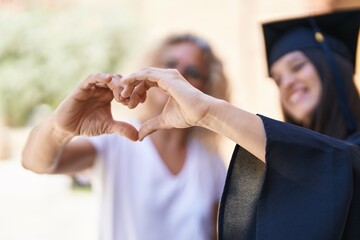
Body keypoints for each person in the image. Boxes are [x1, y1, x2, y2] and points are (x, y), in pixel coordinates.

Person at [112, 9, 360, 239]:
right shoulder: (287, 167)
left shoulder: (339, 157)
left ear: (333, 66)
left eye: (297, 66)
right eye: (278, 79)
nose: (287, 83)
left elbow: (338, 163)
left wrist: (209, 112)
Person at [22, 34, 229, 240]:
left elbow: (217, 233)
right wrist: (59, 129)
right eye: (170, 65)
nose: (177, 76)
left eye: (193, 72)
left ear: (207, 88)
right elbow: (36, 163)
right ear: (151, 71)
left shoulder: (209, 158)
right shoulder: (116, 138)